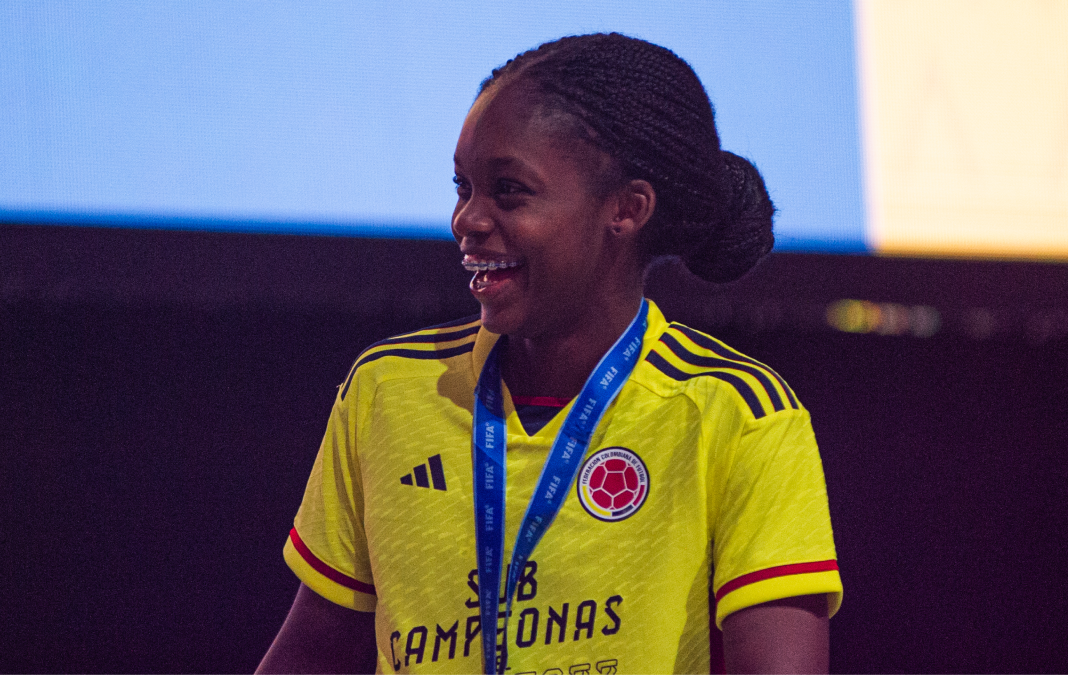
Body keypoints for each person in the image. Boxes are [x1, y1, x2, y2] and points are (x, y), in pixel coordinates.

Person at [257, 33, 841, 674]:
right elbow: (311, 654)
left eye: (508, 192)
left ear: (626, 209)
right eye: (464, 188)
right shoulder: (388, 391)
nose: (468, 220)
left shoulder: (737, 415)